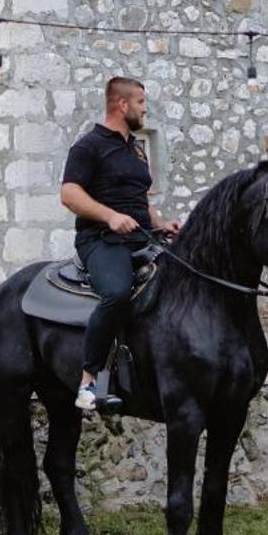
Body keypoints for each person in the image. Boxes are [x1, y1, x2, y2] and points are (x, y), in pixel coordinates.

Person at [59, 76, 180, 413]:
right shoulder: (89, 146)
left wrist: (161, 224)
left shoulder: (136, 148)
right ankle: (89, 380)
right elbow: (69, 194)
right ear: (121, 105)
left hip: (142, 238)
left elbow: (140, 198)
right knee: (117, 291)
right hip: (101, 240)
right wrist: (110, 217)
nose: (145, 109)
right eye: (140, 102)